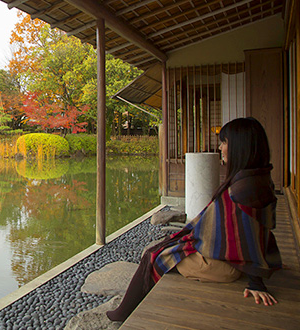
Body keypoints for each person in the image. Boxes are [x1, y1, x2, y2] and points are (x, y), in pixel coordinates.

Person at [106, 117, 282, 322]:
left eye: (224, 142)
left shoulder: (242, 189)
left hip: (224, 265)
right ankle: (125, 308)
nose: (220, 148)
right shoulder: (257, 179)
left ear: (239, 147)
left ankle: (122, 313)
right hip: (232, 259)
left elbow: (247, 234)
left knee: (155, 256)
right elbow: (255, 230)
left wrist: (256, 281)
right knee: (166, 246)